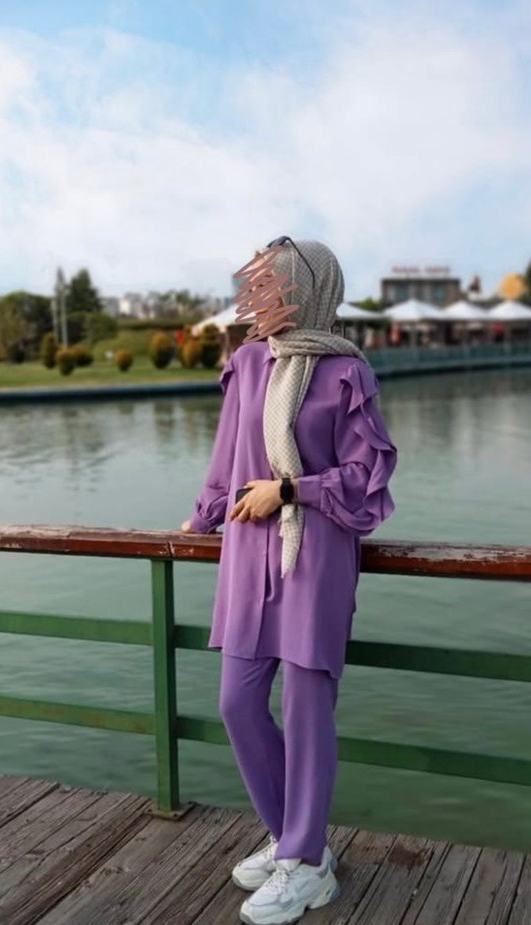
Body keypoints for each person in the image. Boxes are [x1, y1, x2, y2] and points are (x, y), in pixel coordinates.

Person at [181, 237, 397, 925]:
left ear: (311, 290)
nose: (262, 296)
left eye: (277, 284)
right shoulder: (247, 362)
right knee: (237, 703)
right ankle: (294, 842)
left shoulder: (345, 372)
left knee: (307, 716)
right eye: (259, 284)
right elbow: (225, 463)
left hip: (315, 560)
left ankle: (304, 864)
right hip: (248, 558)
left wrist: (290, 489)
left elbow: (365, 480)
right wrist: (199, 519)